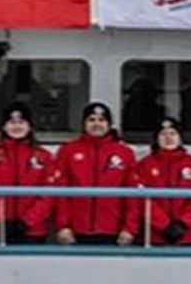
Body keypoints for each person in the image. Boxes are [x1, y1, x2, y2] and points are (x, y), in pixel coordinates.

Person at [0, 102, 58, 244]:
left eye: (21, 122)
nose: (17, 127)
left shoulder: (44, 156)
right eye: (12, 122)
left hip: (33, 230)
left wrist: (27, 222)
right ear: (4, 126)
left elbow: (49, 195)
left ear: (30, 126)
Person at [53, 102, 137, 245]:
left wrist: (129, 228)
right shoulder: (68, 151)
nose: (96, 124)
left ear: (109, 124)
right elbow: (60, 192)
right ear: (83, 124)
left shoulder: (125, 153)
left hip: (113, 229)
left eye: (101, 120)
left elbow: (132, 195)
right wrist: (63, 225)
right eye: (91, 120)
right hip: (76, 229)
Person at [129, 117, 191, 246]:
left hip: (188, 236)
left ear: (180, 138)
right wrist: (164, 225)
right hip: (154, 236)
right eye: (163, 134)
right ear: (156, 138)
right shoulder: (144, 165)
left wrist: (183, 224)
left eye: (172, 133)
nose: (168, 137)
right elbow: (142, 199)